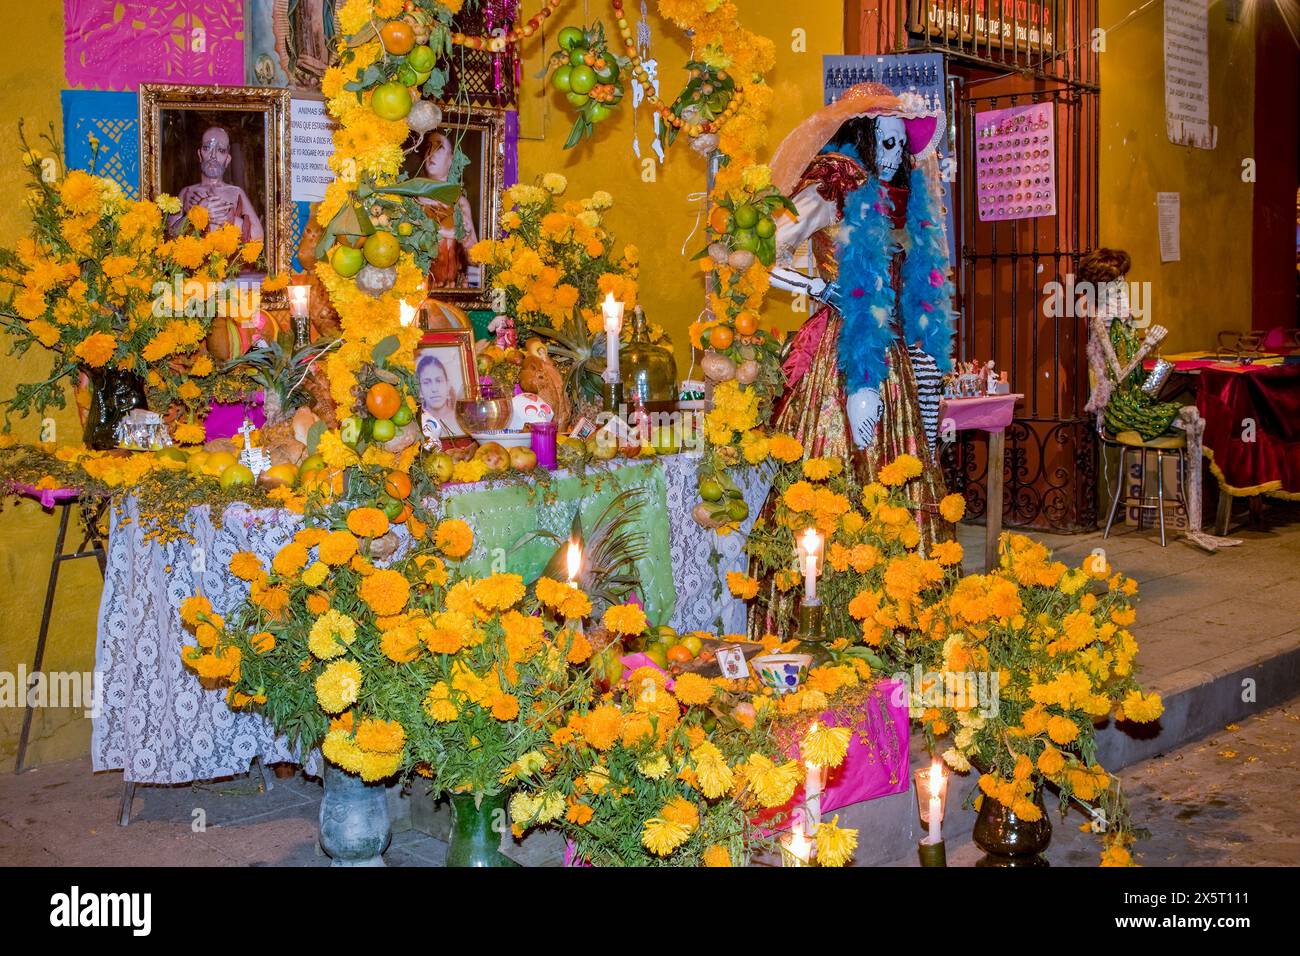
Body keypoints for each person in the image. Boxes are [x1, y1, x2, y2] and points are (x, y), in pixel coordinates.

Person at [749, 83, 958, 638]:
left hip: (894, 357)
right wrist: (818, 289)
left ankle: (893, 620)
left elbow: (920, 292)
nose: (892, 153)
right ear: (862, 139)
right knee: (834, 466)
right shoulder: (831, 191)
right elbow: (760, 253)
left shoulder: (906, 208)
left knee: (897, 470)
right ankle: (827, 620)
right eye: (883, 140)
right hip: (841, 352)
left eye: (900, 144)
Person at [1080, 248, 1242, 552]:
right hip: (1120, 409)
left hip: (1138, 400)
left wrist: (1153, 356)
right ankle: (1194, 527)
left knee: (1196, 417)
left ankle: (1195, 526)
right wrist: (1149, 346)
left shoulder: (1124, 321)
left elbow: (1140, 383)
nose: (1123, 286)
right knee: (1193, 418)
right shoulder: (1101, 323)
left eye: (1123, 279)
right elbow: (1119, 377)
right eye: (1117, 281)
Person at [168, 126, 265, 243]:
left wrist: (227, 219)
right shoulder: (187, 192)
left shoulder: (236, 192)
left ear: (228, 159)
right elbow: (169, 234)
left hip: (226, 260)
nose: (213, 156)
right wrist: (196, 213)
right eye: (207, 148)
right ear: (199, 155)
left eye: (221, 150)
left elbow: (258, 236)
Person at [419, 131, 480, 289]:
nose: (431, 153)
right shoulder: (414, 200)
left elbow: (477, 260)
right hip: (418, 294)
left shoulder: (460, 204)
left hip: (452, 293)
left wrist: (474, 291)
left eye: (439, 148)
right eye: (428, 147)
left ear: (451, 159)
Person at [417, 352, 461, 437]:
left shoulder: (461, 420)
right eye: (426, 382)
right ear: (420, 390)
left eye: (438, 381)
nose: (434, 389)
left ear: (447, 385)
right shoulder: (415, 424)